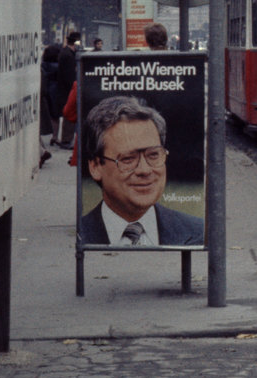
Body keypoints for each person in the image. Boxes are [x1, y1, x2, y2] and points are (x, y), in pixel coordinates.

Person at [77, 96, 204, 247]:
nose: (144, 170)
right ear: (96, 167)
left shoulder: (199, 231)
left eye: (153, 155)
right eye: (128, 159)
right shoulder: (81, 234)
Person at [53, 32, 81, 147]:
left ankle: (66, 138)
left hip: (65, 88)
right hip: (68, 89)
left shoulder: (66, 53)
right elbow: (69, 75)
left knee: (68, 114)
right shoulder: (68, 55)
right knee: (69, 114)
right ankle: (66, 139)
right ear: (75, 42)